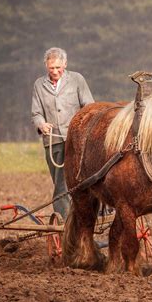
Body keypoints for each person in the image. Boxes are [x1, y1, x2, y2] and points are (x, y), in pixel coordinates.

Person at [31, 47, 94, 220]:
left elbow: (89, 106)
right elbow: (36, 113)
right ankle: (66, 224)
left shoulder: (77, 80)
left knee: (87, 178)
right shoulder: (39, 85)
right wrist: (41, 124)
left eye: (59, 67)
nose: (55, 71)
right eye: (51, 68)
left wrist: (83, 128)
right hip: (54, 141)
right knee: (61, 184)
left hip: (78, 139)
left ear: (65, 64)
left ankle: (89, 216)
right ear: (46, 66)